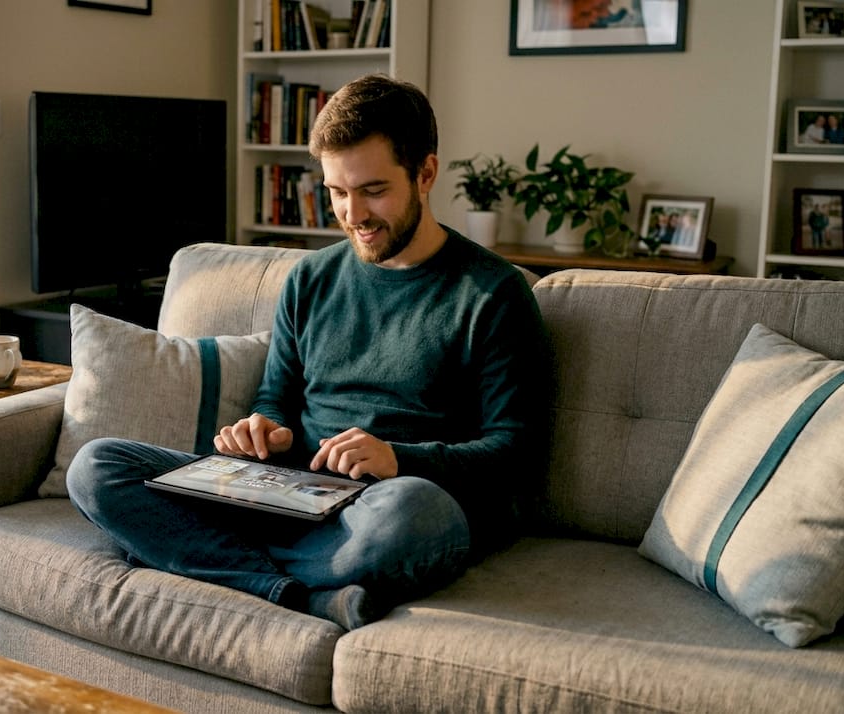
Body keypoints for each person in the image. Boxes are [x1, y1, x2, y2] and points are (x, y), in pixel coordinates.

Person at [66, 74, 552, 631]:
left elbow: (516, 453)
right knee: (98, 466)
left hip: (387, 508)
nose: (354, 215)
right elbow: (278, 398)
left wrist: (400, 459)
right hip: (291, 495)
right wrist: (265, 430)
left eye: (373, 190)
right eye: (337, 193)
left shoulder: (492, 293)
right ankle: (297, 592)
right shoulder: (311, 279)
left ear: (426, 174)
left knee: (412, 514)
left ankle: (198, 557)